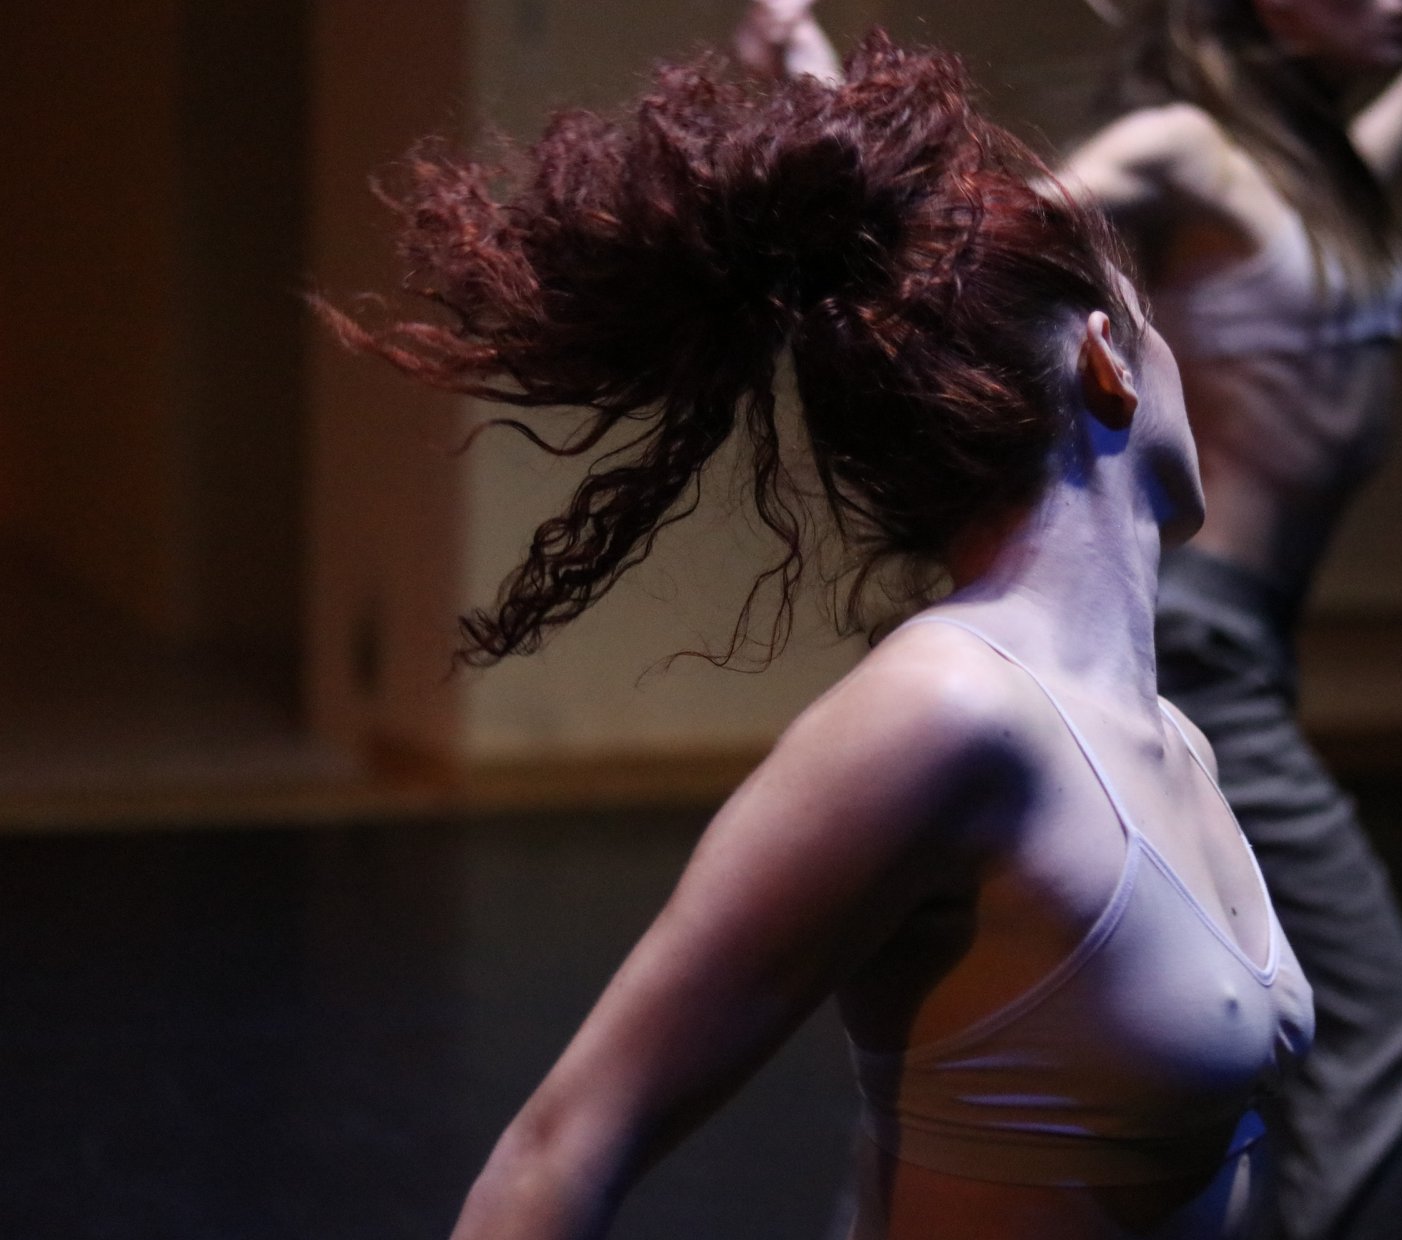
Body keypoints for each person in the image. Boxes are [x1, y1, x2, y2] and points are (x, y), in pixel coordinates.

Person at [319, 33, 1315, 1240]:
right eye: (1157, 321)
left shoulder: (1175, 743)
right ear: (1105, 359)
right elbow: (560, 1145)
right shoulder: (949, 709)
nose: (1184, 359)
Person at [1057, 3, 1402, 1238]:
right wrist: (818, 85)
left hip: (1241, 640)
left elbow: (1349, 188)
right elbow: (981, 233)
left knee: (1093, 1004)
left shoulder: (1298, 182)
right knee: (1376, 1018)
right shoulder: (1180, 148)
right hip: (1189, 646)